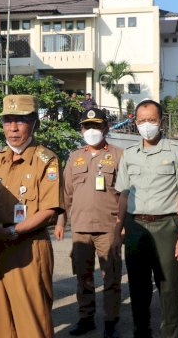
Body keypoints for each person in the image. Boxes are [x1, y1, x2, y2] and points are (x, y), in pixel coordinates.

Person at [114, 99, 178, 338]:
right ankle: (141, 332)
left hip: (166, 226)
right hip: (135, 226)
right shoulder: (129, 155)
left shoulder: (177, 152)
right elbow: (123, 194)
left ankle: (170, 334)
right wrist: (119, 227)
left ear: (161, 121)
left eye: (151, 120)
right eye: (141, 121)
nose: (146, 125)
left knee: (169, 287)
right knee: (138, 286)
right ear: (135, 123)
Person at [0, 94, 64, 337]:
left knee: (31, 322)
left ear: (34, 123)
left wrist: (12, 231)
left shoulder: (45, 160)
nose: (13, 128)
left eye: (21, 120)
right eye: (8, 120)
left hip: (27, 247)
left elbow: (49, 209)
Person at [58, 108, 123, 338]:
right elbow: (66, 193)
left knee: (111, 277)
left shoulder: (118, 155)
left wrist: (121, 224)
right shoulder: (74, 156)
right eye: (88, 126)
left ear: (106, 128)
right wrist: (60, 220)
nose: (92, 131)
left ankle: (110, 321)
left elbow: (126, 193)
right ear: (82, 129)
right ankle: (86, 318)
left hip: (109, 227)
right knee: (83, 276)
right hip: (80, 228)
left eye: (97, 126)